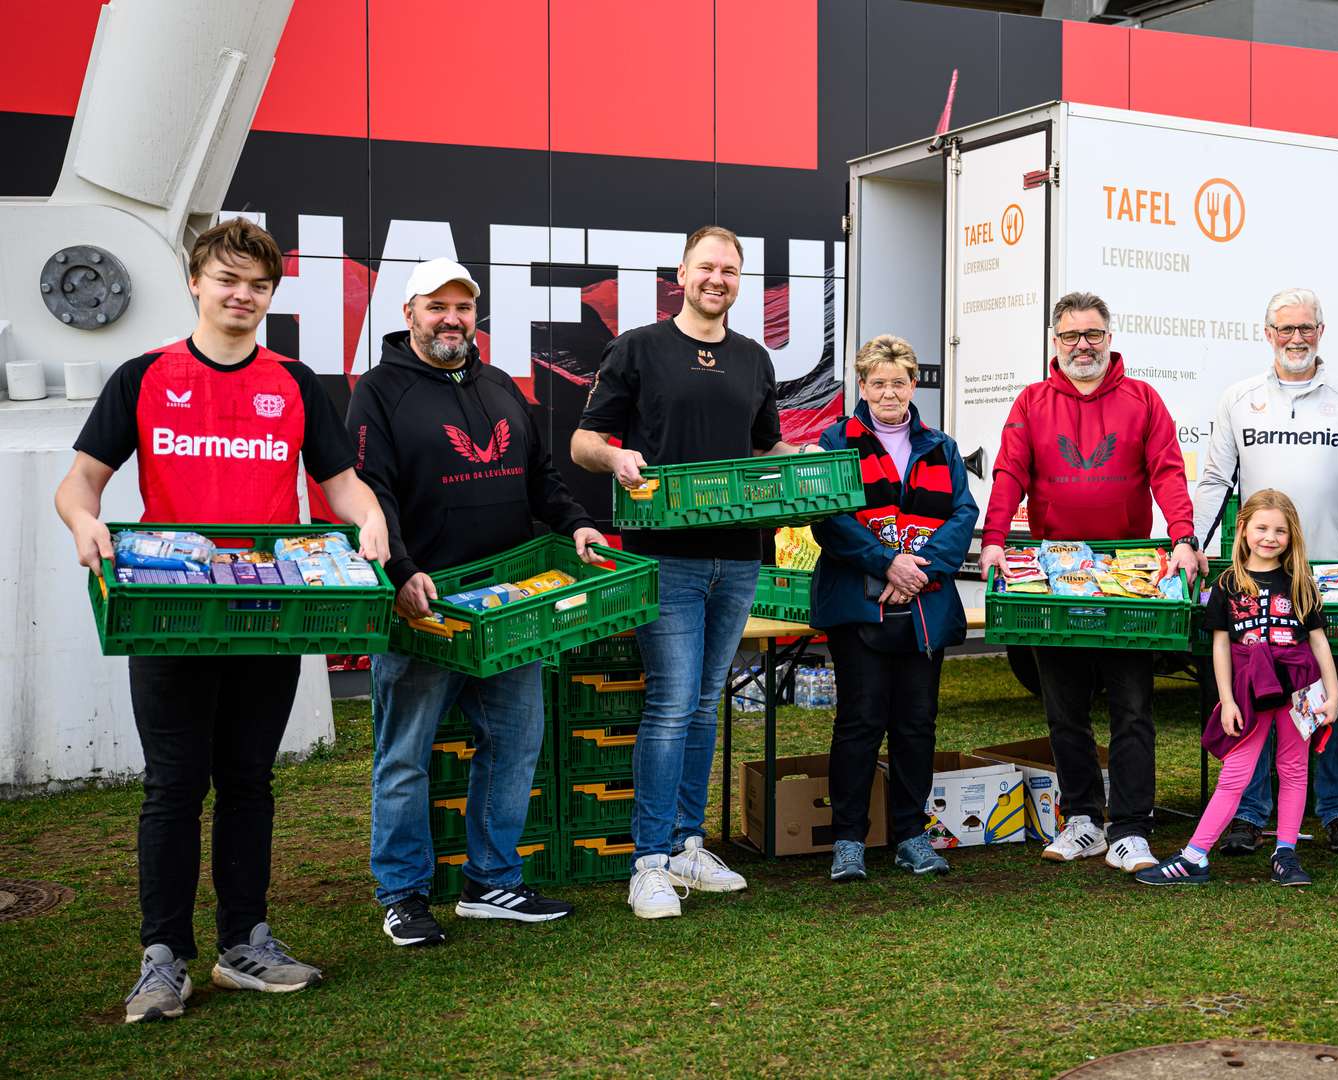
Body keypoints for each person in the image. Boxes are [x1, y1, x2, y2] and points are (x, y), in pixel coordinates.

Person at [53, 219, 389, 1022]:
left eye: (258, 286)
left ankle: (246, 943)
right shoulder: (145, 376)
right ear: (197, 283)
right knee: (173, 787)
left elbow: (340, 483)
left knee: (248, 783)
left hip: (269, 612)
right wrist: (83, 524)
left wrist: (370, 520)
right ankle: (162, 958)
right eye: (228, 280)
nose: (242, 296)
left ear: (272, 295)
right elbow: (80, 482)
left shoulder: (298, 383)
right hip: (170, 617)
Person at [349, 258, 604, 945]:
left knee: (516, 744)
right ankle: (402, 894)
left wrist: (576, 521)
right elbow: (370, 493)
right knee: (405, 757)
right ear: (408, 315)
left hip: (509, 606)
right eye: (437, 307)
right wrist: (399, 571)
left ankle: (491, 881)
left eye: (463, 307)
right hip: (426, 608)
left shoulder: (499, 386)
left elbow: (541, 479)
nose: (452, 319)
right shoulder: (379, 392)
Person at [572, 225, 805, 919]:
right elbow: (586, 440)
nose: (718, 279)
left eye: (730, 270)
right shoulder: (639, 348)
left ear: (740, 280)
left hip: (737, 557)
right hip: (663, 555)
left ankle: (685, 844)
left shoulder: (754, 359)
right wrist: (615, 460)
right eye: (707, 267)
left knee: (706, 703)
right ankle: (648, 862)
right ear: (683, 272)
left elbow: (767, 446)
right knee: (671, 703)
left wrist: (799, 459)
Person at [978, 291, 1199, 874]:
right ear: (1055, 343)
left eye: (1093, 334)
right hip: (1055, 576)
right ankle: (1082, 820)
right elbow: (1008, 474)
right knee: (1064, 708)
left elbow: (1168, 472)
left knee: (1132, 707)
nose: (1083, 345)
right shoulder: (1031, 402)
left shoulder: (1143, 399)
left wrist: (1182, 537)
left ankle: (1129, 828)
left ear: (1110, 337)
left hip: (1128, 579)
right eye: (1071, 336)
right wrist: (995, 539)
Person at [1192, 287, 1338, 858]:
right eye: (1285, 329)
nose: (1296, 338)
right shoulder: (1240, 397)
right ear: (1267, 334)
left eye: (1306, 327)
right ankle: (1249, 816)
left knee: (1337, 695)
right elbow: (1214, 481)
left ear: (1321, 332)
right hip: (1254, 578)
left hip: (1327, 577)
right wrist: (1191, 542)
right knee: (1254, 693)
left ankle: (1337, 813)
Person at [808, 335, 979, 882]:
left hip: (923, 608)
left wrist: (918, 569)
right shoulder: (836, 441)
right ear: (862, 386)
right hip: (858, 607)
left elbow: (962, 514)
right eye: (877, 382)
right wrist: (887, 564)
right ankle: (849, 841)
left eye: (898, 381)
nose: (888, 392)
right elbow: (827, 520)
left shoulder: (941, 445)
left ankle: (910, 835)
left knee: (916, 724)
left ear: (913, 385)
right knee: (859, 722)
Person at [1136, 490, 1338, 888]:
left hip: (1298, 687)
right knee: (1237, 771)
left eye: (1280, 530)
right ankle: (1195, 856)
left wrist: (1332, 695)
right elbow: (1221, 648)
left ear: (1292, 536)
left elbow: (1318, 641)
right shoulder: (1228, 584)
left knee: (1294, 769)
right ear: (1244, 530)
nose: (1270, 537)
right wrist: (1226, 699)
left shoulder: (1300, 582)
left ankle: (1285, 852)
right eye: (1262, 528)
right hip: (1249, 689)